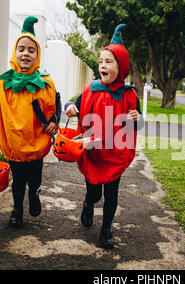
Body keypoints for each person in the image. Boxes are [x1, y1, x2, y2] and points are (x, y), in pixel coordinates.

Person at [65, 24, 144, 249]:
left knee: (111, 194)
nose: (102, 65)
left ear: (121, 67)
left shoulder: (129, 94)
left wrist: (138, 118)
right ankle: (88, 205)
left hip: (115, 153)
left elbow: (139, 124)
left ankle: (106, 228)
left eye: (108, 62)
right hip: (93, 152)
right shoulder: (91, 89)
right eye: (101, 61)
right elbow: (74, 103)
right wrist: (71, 107)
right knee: (94, 193)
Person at [0, 16, 61, 228]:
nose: (25, 53)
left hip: (37, 140)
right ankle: (17, 209)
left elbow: (55, 102)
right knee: (18, 181)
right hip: (14, 142)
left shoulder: (46, 83)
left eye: (31, 50)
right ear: (14, 52)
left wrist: (54, 120)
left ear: (37, 55)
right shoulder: (2, 84)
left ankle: (35, 194)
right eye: (21, 49)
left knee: (34, 179)